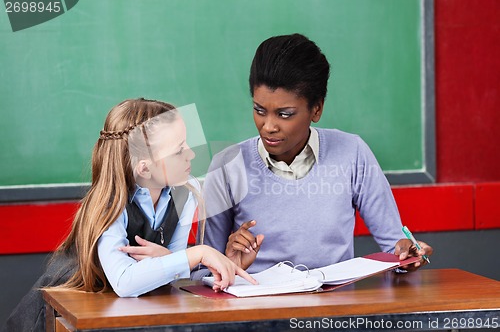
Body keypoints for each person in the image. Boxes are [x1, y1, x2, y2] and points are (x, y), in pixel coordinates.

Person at [3, 98, 255, 332]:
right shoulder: (110, 204)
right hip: (59, 316)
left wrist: (172, 260)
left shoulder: (185, 192)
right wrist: (194, 254)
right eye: (179, 150)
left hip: (115, 313)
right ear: (145, 168)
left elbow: (174, 271)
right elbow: (125, 281)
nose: (191, 153)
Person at [193, 34, 433, 278]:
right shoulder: (227, 166)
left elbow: (397, 247)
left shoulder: (352, 153)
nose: (268, 126)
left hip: (334, 310)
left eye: (284, 114)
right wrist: (227, 265)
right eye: (259, 110)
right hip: (257, 310)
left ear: (316, 109)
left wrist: (407, 255)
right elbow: (202, 273)